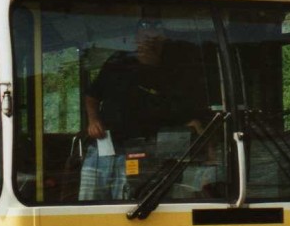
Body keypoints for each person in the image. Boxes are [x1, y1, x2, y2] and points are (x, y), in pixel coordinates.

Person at [79, 18, 202, 200]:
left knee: (125, 204)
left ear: (163, 41)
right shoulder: (118, 62)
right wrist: (93, 120)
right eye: (144, 36)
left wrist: (152, 68)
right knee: (88, 204)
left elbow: (183, 114)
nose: (148, 41)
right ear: (136, 38)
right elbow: (91, 96)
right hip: (103, 146)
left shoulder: (171, 72)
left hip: (140, 151)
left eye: (154, 39)